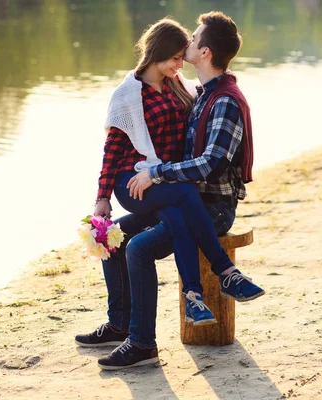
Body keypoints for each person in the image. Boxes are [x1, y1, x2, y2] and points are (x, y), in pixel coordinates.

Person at [75, 11, 265, 371]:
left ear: (204, 52)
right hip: (166, 189)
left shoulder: (214, 97)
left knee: (140, 248)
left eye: (191, 42)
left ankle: (143, 342)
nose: (185, 50)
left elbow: (209, 162)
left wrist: (158, 173)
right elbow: (114, 147)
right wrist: (103, 195)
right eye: (177, 52)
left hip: (203, 201)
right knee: (115, 239)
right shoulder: (191, 93)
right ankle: (122, 324)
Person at [93, 18, 220, 329]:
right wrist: (102, 198)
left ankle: (121, 325)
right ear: (158, 53)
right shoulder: (129, 95)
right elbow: (113, 149)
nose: (180, 64)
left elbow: (207, 98)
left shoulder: (177, 84)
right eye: (175, 58)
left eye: (182, 57)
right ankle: (209, 282)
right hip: (135, 181)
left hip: (166, 179)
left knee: (116, 240)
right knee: (179, 207)